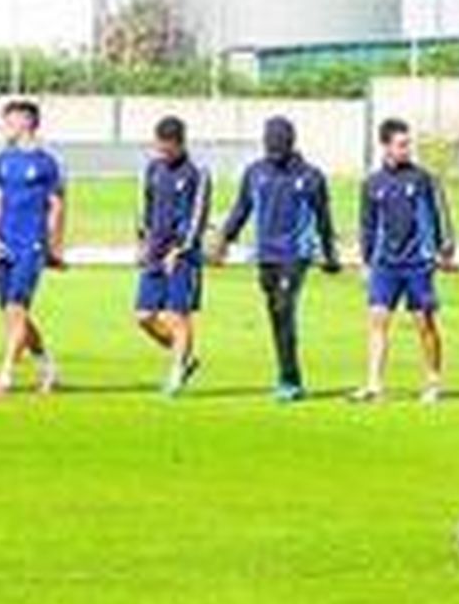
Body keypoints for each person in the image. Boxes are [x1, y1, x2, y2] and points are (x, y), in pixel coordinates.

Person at [213, 116, 340, 403]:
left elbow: (323, 218)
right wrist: (224, 240)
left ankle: (290, 380)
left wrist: (330, 254)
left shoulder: (310, 176)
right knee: (276, 314)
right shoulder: (255, 173)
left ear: (291, 142)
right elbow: (241, 210)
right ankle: (287, 372)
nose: (274, 152)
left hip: (296, 253)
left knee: (284, 307)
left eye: (278, 146)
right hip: (265, 254)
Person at [352, 118, 454, 404]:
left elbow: (439, 215)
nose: (407, 149)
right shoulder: (372, 183)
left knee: (424, 323)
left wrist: (444, 249)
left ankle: (433, 381)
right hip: (385, 264)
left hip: (418, 264)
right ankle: (373, 384)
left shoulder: (423, 179)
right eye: (401, 144)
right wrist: (366, 262)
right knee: (377, 320)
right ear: (385, 146)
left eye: (408, 144)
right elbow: (367, 225)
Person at [0, 100, 66, 397]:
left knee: (18, 308)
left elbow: (57, 206)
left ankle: (4, 377)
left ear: (26, 122)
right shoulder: (3, 159)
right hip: (6, 244)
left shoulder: (47, 164)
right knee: (12, 313)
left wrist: (54, 246)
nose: (5, 127)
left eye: (9, 121)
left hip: (31, 243)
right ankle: (48, 367)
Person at [134, 116, 210, 397]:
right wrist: (142, 241)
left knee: (179, 315)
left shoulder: (197, 173)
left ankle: (177, 372)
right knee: (144, 316)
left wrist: (181, 249)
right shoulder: (152, 169)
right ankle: (185, 356)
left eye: (167, 148)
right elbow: (144, 207)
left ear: (180, 143)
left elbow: (198, 216)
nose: (162, 153)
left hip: (183, 256)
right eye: (159, 147)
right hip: (155, 251)